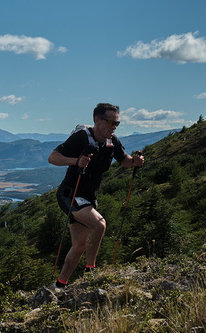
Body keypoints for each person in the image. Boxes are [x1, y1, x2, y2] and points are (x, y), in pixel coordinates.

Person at [48, 103, 144, 289]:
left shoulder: (112, 141)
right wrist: (76, 161)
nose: (113, 127)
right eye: (110, 122)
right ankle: (90, 271)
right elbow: (53, 157)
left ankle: (59, 285)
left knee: (79, 246)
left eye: (117, 123)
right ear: (97, 119)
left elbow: (123, 160)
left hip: (89, 197)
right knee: (99, 224)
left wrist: (135, 162)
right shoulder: (82, 137)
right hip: (71, 193)